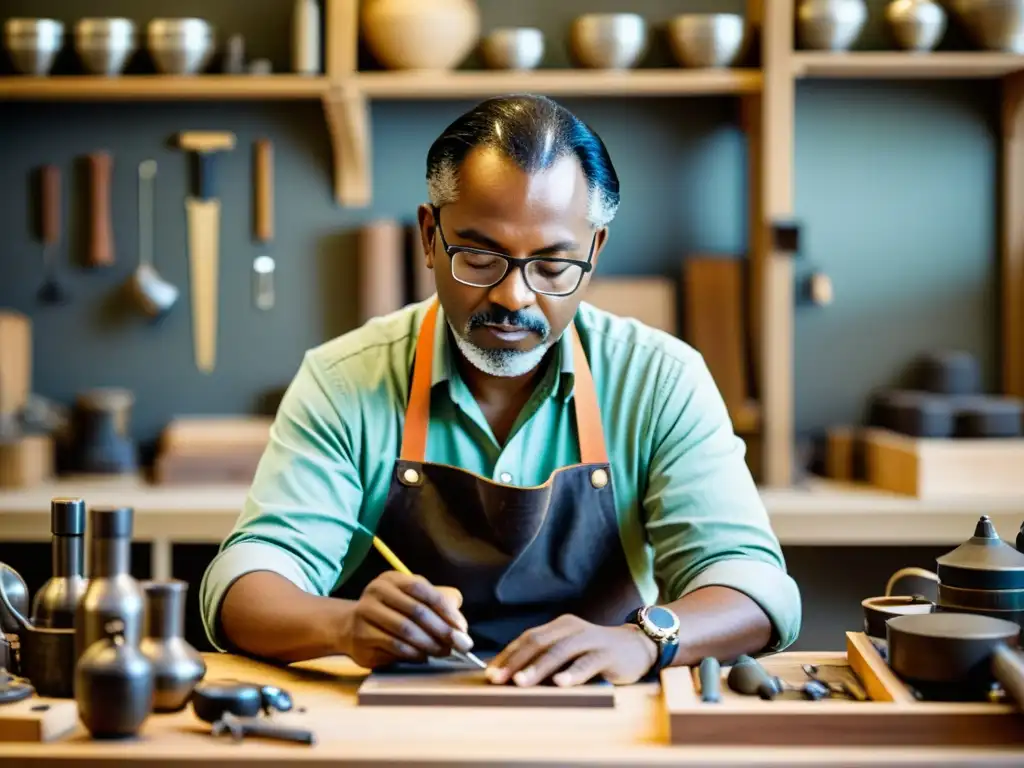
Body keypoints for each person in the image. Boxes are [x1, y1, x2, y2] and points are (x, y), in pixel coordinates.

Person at [200, 93, 801, 688]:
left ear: (594, 251)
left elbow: (755, 586)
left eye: (551, 264)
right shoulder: (345, 380)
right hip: (388, 724)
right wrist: (343, 625)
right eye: (481, 256)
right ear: (430, 235)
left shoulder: (659, 380)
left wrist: (644, 639)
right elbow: (243, 583)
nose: (514, 296)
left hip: (604, 724)